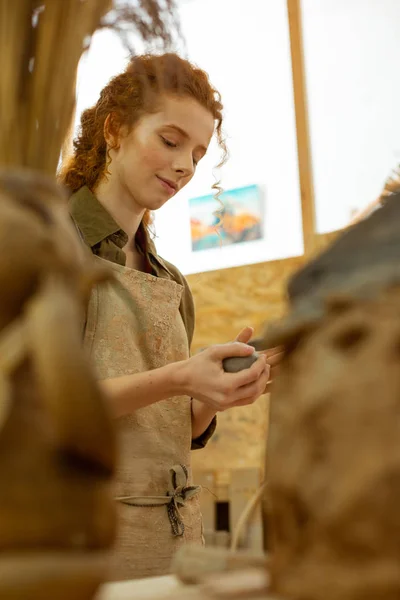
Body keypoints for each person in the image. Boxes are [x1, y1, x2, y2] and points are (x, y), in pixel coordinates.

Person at [59, 53, 270, 581]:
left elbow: (172, 425)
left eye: (198, 154)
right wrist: (178, 376)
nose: (185, 166)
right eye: (171, 141)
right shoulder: (48, 248)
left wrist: (211, 395)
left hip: (168, 542)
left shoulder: (171, 282)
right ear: (115, 129)